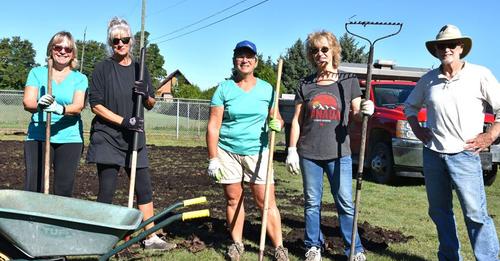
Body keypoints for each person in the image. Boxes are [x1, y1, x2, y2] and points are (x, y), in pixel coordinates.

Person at [404, 24, 500, 261]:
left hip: (465, 154)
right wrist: (417, 129)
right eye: (441, 46)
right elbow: (410, 106)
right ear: (436, 50)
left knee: (476, 213)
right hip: (434, 154)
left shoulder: (480, 74)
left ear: (460, 48)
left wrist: (490, 136)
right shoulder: (428, 79)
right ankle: (448, 257)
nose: (445, 49)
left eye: (450, 45)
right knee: (439, 211)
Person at [86, 17, 175, 250]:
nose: (120, 44)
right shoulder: (103, 68)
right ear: (110, 43)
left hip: (135, 137)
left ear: (131, 42)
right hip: (107, 135)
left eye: (124, 40)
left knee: (144, 188)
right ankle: (100, 238)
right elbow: (95, 105)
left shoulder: (140, 68)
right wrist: (124, 121)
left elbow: (152, 103)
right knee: (107, 188)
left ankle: (151, 236)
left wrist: (146, 93)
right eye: (115, 41)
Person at [285, 30, 374, 261]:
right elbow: (296, 120)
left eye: (324, 49)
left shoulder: (348, 81)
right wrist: (292, 150)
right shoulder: (305, 84)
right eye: (314, 50)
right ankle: (313, 245)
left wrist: (365, 110)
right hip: (309, 153)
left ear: (334, 51)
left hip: (339, 152)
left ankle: (354, 249)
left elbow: (355, 113)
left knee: (344, 201)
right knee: (312, 202)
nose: (320, 54)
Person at [206, 40, 289, 261]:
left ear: (256, 61)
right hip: (228, 151)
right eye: (240, 56)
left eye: (249, 56)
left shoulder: (267, 89)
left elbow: (277, 118)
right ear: (234, 61)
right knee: (233, 199)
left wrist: (278, 124)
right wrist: (213, 158)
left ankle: (279, 247)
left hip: (258, 151)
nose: (245, 60)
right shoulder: (224, 88)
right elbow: (214, 125)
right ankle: (237, 243)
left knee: (266, 202)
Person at [22, 31, 87, 197]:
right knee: (34, 188)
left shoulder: (80, 78)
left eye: (68, 48)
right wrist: (40, 105)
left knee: (63, 190)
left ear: (73, 53)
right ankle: (33, 222)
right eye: (58, 47)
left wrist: (60, 109)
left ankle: (56, 223)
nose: (63, 51)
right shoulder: (37, 73)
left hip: (69, 138)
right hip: (39, 135)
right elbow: (28, 102)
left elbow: (78, 106)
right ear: (51, 49)